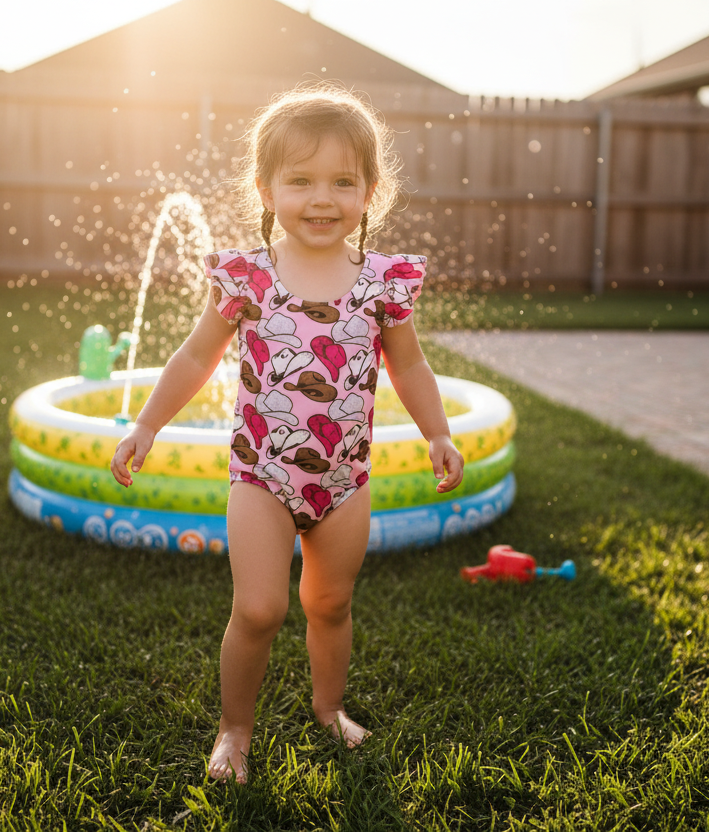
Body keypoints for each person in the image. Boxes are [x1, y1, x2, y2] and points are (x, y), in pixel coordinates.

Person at [109, 84, 464, 784]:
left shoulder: (382, 283)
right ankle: (234, 729)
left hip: (343, 479)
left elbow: (410, 365)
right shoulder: (249, 277)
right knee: (259, 607)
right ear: (266, 189)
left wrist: (438, 433)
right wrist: (147, 423)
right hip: (262, 476)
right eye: (301, 181)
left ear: (371, 192)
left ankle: (328, 708)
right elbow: (195, 356)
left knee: (330, 603)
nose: (322, 199)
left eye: (343, 181)